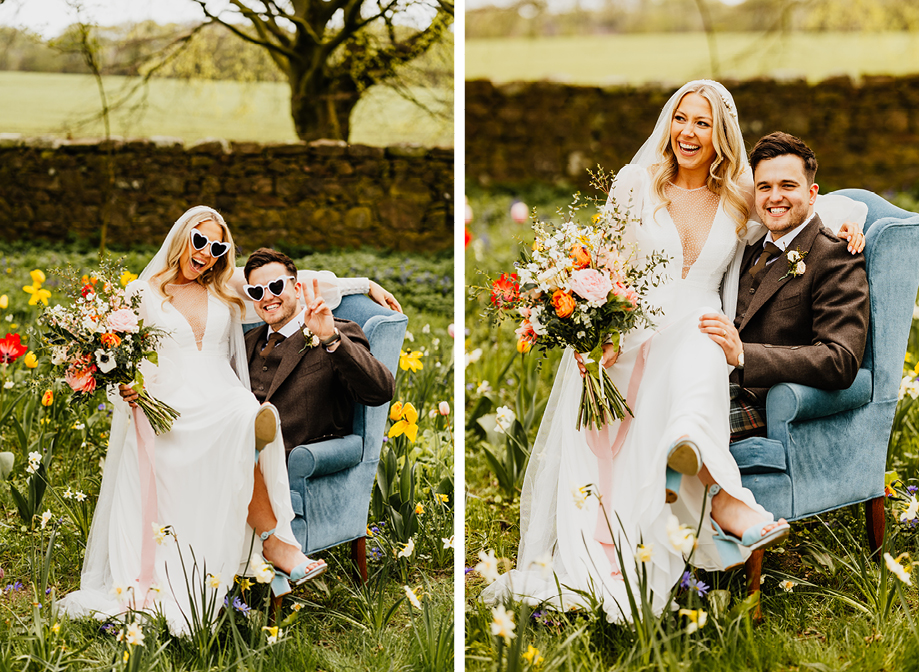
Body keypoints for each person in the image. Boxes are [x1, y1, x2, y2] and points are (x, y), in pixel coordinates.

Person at [481, 80, 866, 622]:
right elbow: (604, 264)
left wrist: (856, 223)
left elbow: (810, 201)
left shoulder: (740, 197)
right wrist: (600, 335)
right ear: (670, 123)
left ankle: (691, 458)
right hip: (631, 333)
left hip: (700, 325)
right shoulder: (635, 184)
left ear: (720, 135)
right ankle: (687, 515)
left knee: (701, 355)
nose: (689, 131)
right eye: (682, 119)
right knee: (612, 440)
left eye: (703, 123)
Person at [58, 206, 398, 634]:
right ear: (182, 238)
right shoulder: (141, 293)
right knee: (241, 419)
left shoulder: (229, 288)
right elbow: (117, 357)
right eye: (199, 241)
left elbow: (303, 281)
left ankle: (271, 546)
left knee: (243, 413)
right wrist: (125, 387)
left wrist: (364, 285)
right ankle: (269, 547)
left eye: (217, 246)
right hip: (169, 400)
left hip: (221, 394)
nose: (207, 252)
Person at [698, 132, 869, 440]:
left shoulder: (837, 255)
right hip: (708, 378)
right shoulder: (745, 246)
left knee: (678, 426)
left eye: (787, 186)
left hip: (763, 401)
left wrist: (744, 356)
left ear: (813, 193)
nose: (774, 197)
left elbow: (840, 359)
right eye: (764, 187)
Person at [242, 247, 394, 457]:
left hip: (293, 464)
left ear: (296, 290)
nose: (267, 297)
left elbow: (381, 391)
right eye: (257, 291)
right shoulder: (246, 342)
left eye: (276, 286)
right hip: (238, 457)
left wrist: (330, 338)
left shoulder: (337, 333)